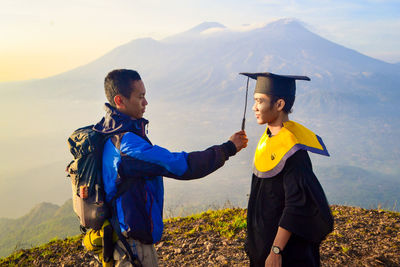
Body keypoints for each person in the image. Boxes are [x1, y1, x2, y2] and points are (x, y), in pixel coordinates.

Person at [93, 69, 248, 267]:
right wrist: (228, 148)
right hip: (132, 247)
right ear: (120, 100)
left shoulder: (107, 129)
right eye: (140, 97)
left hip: (117, 238)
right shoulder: (127, 146)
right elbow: (181, 165)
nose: (146, 103)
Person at [240, 72, 334, 267]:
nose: (254, 107)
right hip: (263, 245)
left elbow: (296, 205)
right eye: (254, 101)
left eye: (259, 101)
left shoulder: (293, 149)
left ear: (279, 104)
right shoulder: (268, 137)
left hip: (286, 253)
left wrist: (276, 250)